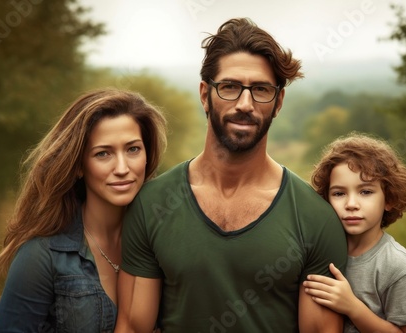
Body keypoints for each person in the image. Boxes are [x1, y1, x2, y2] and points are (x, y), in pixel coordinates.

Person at [115, 18, 347, 333]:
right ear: (204, 94)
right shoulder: (151, 204)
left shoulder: (315, 218)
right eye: (230, 87)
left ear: (278, 102)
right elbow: (131, 326)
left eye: (261, 90)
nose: (245, 104)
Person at [0, 89, 167, 332]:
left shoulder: (163, 241)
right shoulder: (42, 255)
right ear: (79, 166)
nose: (122, 168)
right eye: (103, 153)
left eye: (133, 149)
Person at [302, 132, 406, 333]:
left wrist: (353, 307)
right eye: (339, 193)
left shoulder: (399, 266)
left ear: (389, 199)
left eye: (366, 192)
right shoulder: (318, 252)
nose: (351, 204)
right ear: (326, 200)